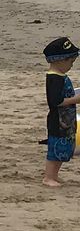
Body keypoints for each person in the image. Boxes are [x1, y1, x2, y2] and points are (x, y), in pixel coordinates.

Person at [42, 36, 80, 187]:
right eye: (70, 62)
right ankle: (48, 177)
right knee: (55, 149)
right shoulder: (54, 79)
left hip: (66, 120)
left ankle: (54, 176)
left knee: (64, 149)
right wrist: (75, 100)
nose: (71, 65)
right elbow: (55, 102)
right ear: (59, 60)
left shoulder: (61, 76)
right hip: (58, 121)